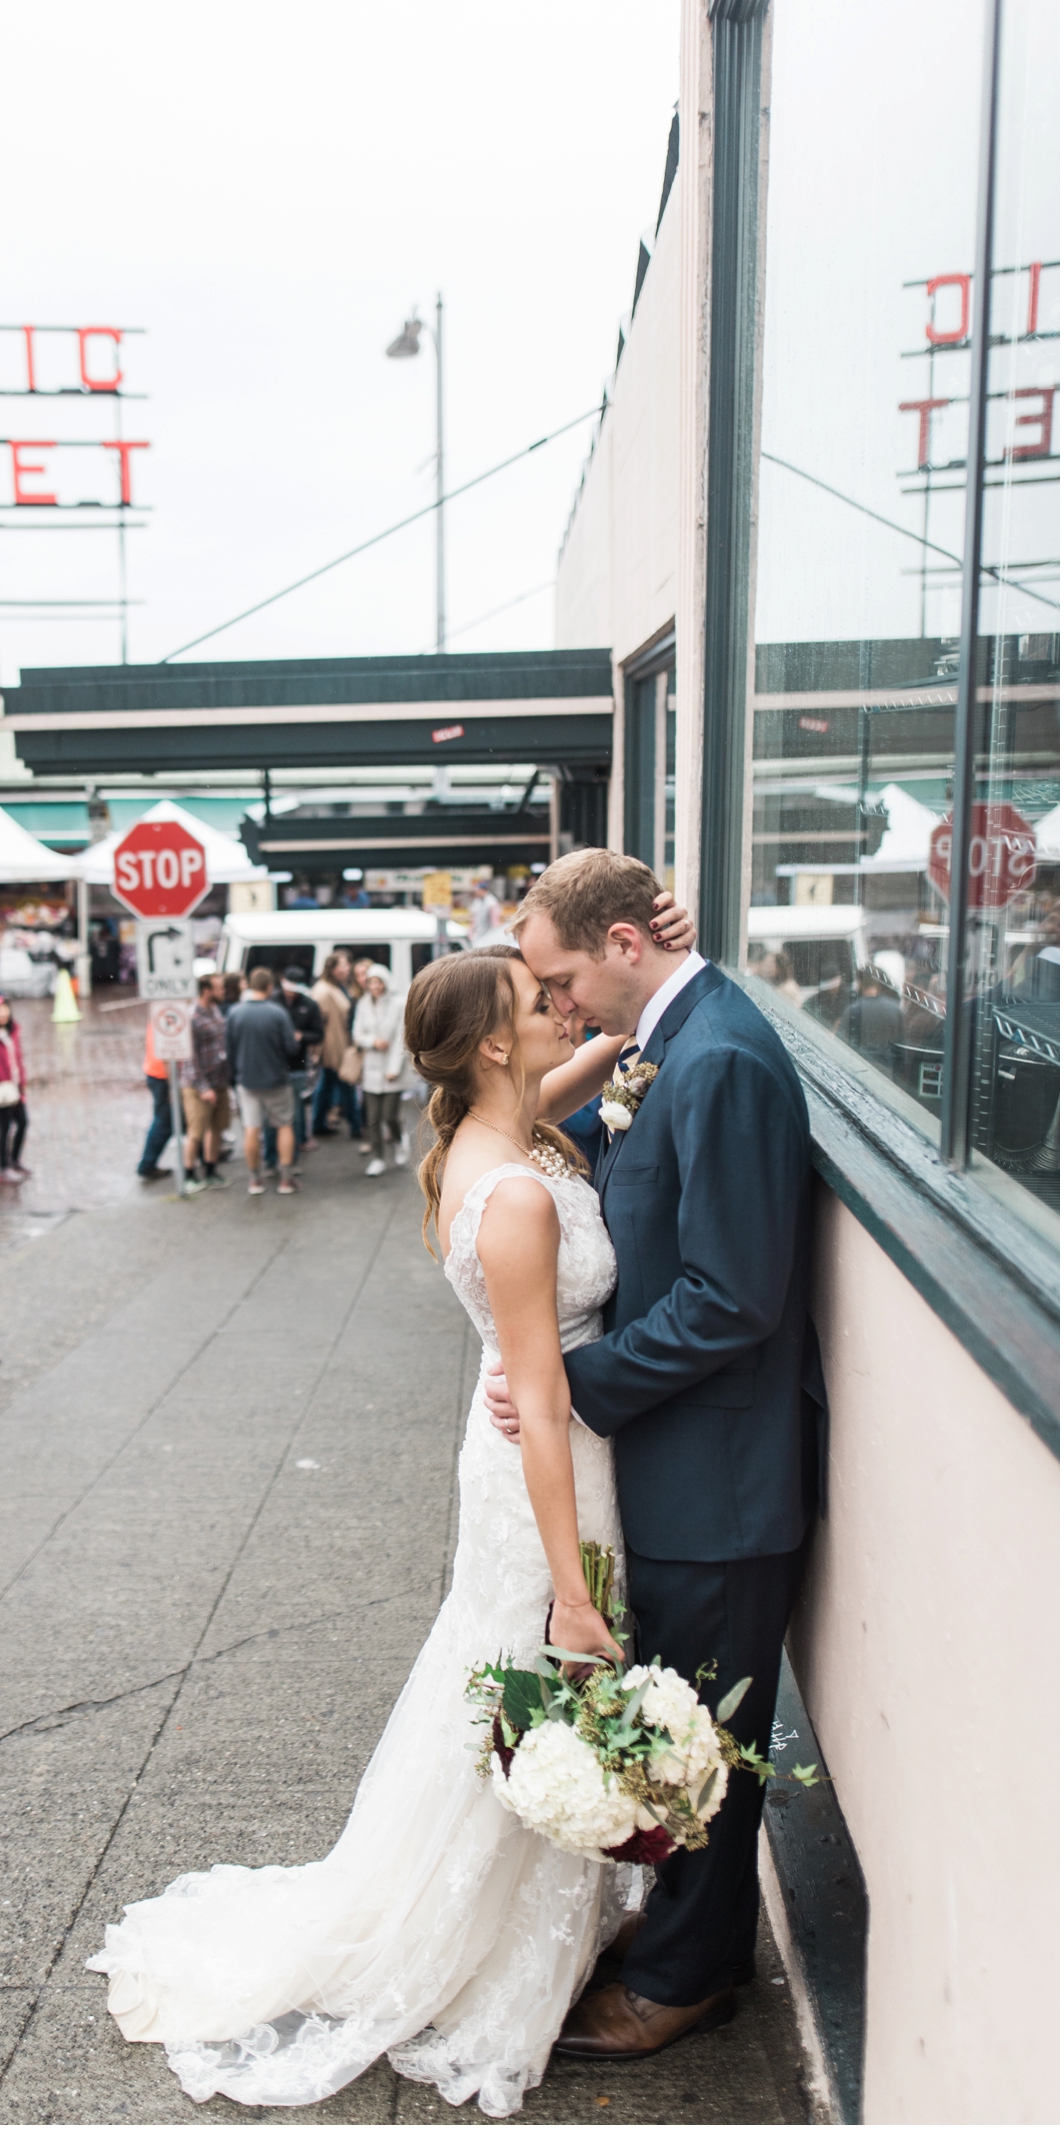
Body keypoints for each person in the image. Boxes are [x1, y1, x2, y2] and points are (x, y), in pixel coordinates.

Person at [87, 941, 656, 2110]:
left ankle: (534, 1897)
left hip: (522, 1442)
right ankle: (495, 1943)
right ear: (495, 1042)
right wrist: (574, 1584)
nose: (557, 1008)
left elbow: (546, 1090)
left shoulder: (479, 1140)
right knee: (541, 1659)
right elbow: (543, 1407)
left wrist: (639, 1022)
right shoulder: (510, 1196)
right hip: (547, 1462)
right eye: (536, 1004)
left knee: (494, 1674)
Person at [483, 850, 823, 2060]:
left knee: (708, 1742)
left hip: (721, 1479)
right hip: (682, 1462)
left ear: (627, 943)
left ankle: (687, 1975)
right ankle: (683, 1924)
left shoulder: (718, 1056)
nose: (559, 1002)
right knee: (679, 1712)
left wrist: (572, 1383)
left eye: (565, 976)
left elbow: (732, 1296)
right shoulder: (662, 1039)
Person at [224, 966, 300, 1195]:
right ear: (269, 987)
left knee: (250, 1128)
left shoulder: (235, 1012)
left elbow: (230, 1048)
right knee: (284, 1125)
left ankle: (255, 1180)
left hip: (247, 1080)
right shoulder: (277, 1013)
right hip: (276, 1078)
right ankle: (286, 1179)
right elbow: (292, 1048)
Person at [352, 964, 409, 1176]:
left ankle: (398, 1139)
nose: (375, 986)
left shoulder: (397, 1005)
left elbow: (401, 1039)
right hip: (372, 1067)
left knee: (389, 1115)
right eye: (371, 982)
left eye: (378, 982)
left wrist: (394, 1068)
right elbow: (357, 1034)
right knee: (373, 1118)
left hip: (393, 1069)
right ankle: (378, 1157)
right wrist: (373, 1041)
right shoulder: (363, 1004)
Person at [185, 974, 230, 1186]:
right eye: (219, 988)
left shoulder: (216, 1010)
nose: (223, 992)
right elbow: (189, 1056)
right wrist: (203, 1087)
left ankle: (211, 1170)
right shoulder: (193, 1016)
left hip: (219, 1081)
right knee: (196, 1131)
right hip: (199, 1086)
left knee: (217, 1128)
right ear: (206, 990)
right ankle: (189, 1174)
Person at [309, 953, 360, 1138]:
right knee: (345, 1084)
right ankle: (356, 1125)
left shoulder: (337, 987)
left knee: (327, 1085)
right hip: (333, 1047)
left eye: (348, 965)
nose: (347, 969)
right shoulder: (323, 991)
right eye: (343, 965)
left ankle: (319, 1123)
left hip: (338, 1045)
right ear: (332, 969)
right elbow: (318, 1021)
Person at [276, 966, 325, 1158]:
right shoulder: (274, 1002)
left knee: (297, 1107)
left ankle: (300, 1141)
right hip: (277, 1063)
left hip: (297, 1064)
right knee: (281, 1110)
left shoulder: (309, 1005)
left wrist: (301, 1036)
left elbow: (318, 1034)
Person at [0, 994, 29, 1183]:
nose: (3, 1014)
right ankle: (2, 1167)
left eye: (5, 1009)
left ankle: (15, 1161)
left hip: (16, 1089)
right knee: (4, 1128)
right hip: (1, 1090)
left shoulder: (12, 1032)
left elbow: (17, 1060)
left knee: (23, 1123)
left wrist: (21, 1082)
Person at [138, 1014, 175, 1182]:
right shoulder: (168, 1014)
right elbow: (166, 1054)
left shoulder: (161, 1012)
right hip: (162, 1076)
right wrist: (173, 1086)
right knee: (164, 1121)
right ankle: (147, 1165)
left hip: (157, 1073)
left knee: (166, 1120)